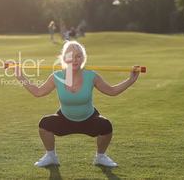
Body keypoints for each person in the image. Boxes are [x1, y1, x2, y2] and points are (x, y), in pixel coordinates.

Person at [9, 41, 140, 168]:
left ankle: (100, 157)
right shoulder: (57, 76)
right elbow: (37, 92)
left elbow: (112, 91)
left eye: (78, 56)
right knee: (44, 124)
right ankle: (51, 156)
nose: (75, 60)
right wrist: (20, 76)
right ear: (65, 58)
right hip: (65, 118)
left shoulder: (91, 76)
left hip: (89, 118)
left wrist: (130, 80)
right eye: (71, 56)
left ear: (83, 58)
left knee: (106, 126)